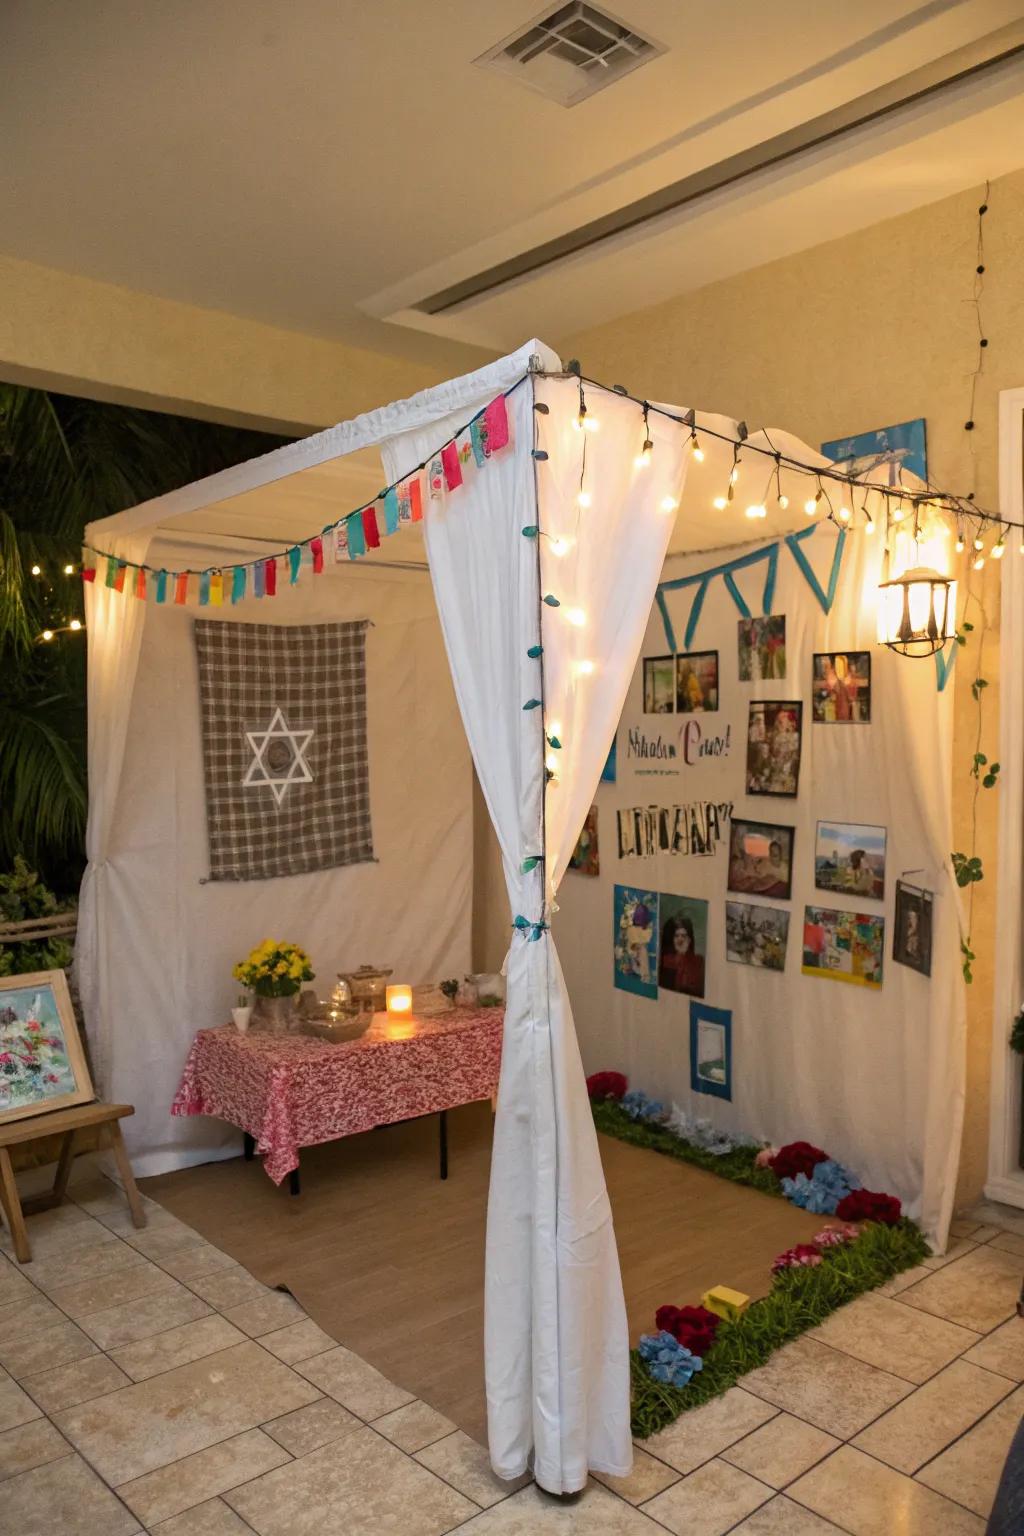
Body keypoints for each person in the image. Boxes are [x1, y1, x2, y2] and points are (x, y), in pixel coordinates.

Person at [659, 914, 705, 997]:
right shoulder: (666, 959)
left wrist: (683, 955)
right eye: (676, 936)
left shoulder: (699, 960)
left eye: (683, 936)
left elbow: (693, 989)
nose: (680, 939)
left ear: (689, 940)